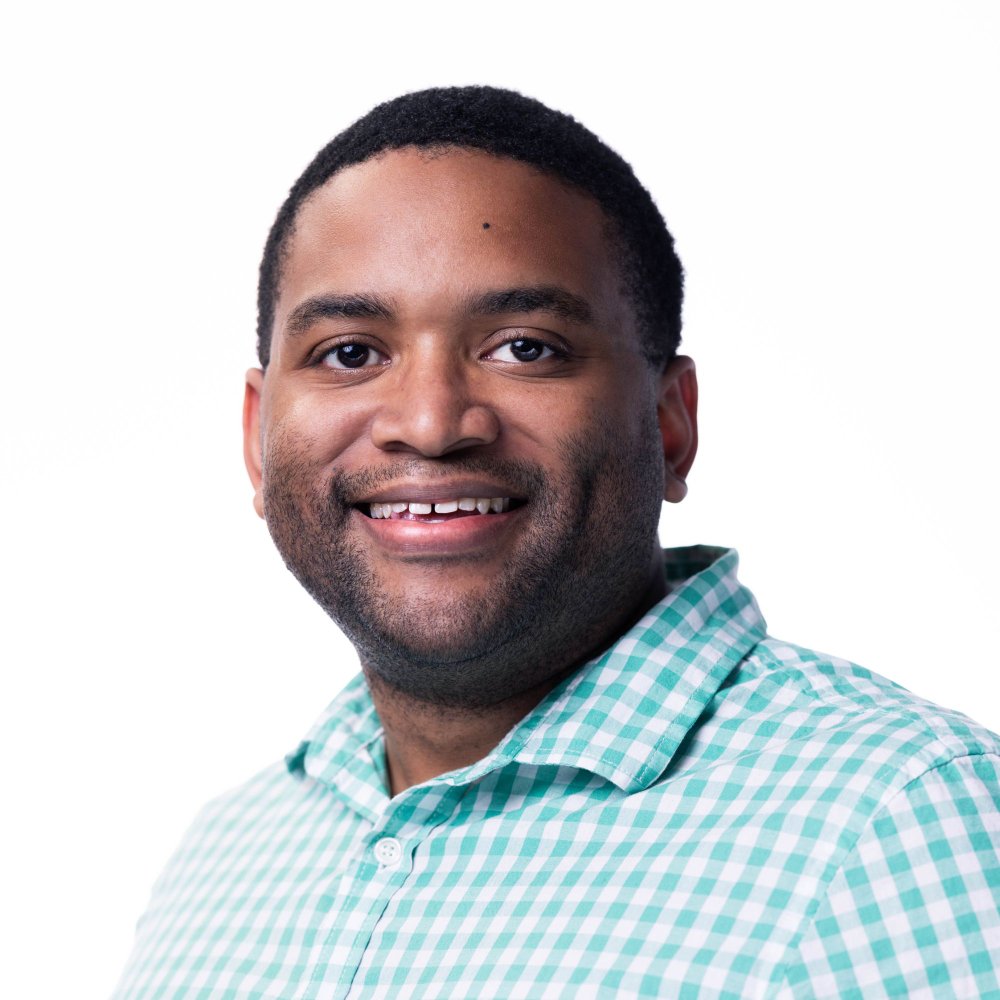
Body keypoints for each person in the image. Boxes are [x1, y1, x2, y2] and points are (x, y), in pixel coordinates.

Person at [114, 87, 1000, 999]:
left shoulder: (901, 825)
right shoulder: (221, 862)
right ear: (257, 439)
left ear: (671, 425)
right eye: (350, 354)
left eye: (524, 348)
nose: (430, 423)